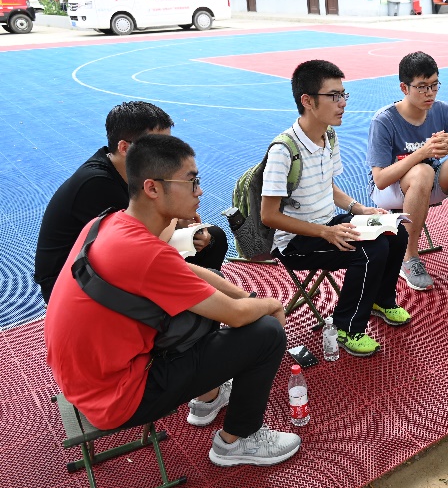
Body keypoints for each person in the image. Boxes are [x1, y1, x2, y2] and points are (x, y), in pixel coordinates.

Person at [45, 133, 300, 468]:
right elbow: (237, 315)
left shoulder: (105, 223)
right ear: (152, 188)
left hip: (83, 380)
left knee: (208, 290)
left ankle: (207, 397)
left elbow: (182, 270)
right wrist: (270, 305)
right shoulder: (146, 255)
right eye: (191, 181)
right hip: (117, 399)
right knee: (266, 333)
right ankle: (238, 440)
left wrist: (242, 294)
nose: (200, 191)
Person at [261, 60, 410, 358]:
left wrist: (361, 209)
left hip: (328, 223)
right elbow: (269, 216)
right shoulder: (283, 150)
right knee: (369, 251)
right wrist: (325, 232)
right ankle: (347, 327)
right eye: (333, 96)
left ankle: (381, 300)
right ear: (308, 101)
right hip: (296, 242)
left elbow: (327, 186)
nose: (342, 103)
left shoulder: (328, 135)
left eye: (343, 94)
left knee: (396, 233)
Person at [34, 101, 228, 303]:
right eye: (159, 148)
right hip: (73, 281)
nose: (170, 156)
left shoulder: (132, 171)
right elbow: (141, 245)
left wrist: (185, 226)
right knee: (203, 277)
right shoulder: (97, 184)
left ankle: (196, 306)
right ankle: (192, 309)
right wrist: (177, 218)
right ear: (124, 148)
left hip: (110, 260)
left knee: (213, 238)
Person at [367, 51, 448, 291]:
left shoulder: (443, 111)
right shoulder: (384, 120)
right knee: (422, 170)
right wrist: (422, 152)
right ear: (404, 88)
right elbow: (380, 180)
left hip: (428, 184)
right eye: (422, 87)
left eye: (434, 85)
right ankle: (408, 257)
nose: (430, 93)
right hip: (391, 190)